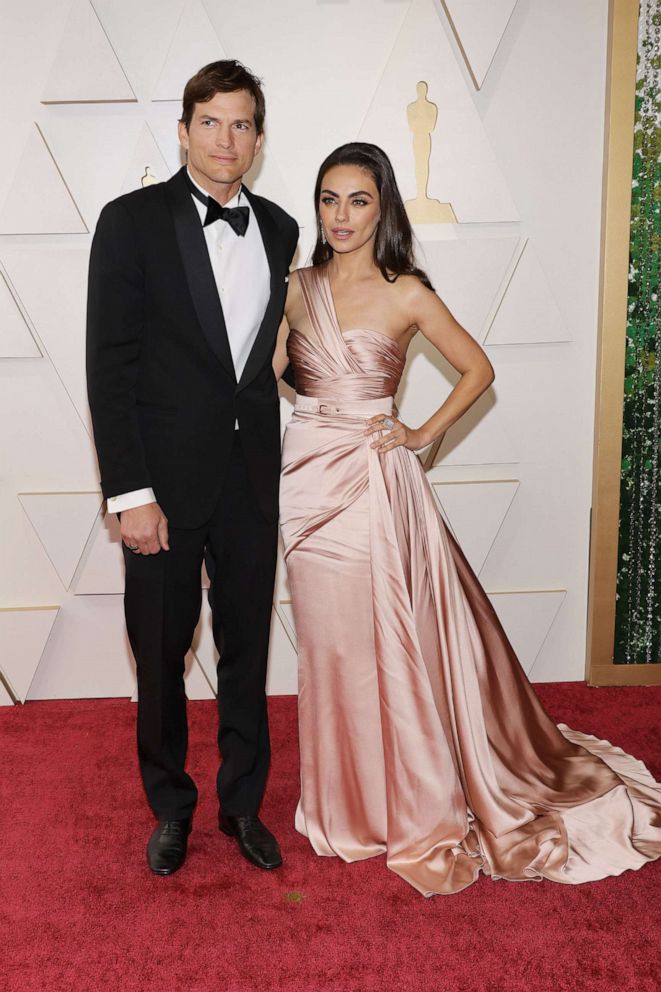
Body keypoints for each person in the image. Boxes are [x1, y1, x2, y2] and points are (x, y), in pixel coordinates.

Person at [274, 142, 661, 896]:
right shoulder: (293, 287)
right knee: (329, 647)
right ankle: (345, 803)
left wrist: (419, 434)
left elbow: (478, 370)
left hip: (374, 485)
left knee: (388, 641)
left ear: (381, 204)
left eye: (357, 199)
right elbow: (268, 376)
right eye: (328, 199)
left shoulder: (406, 290)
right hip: (304, 483)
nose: (341, 214)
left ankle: (406, 800)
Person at [86, 60, 298, 876]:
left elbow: (269, 357)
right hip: (162, 491)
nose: (226, 139)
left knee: (247, 646)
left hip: (250, 477)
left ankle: (242, 805)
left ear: (258, 138)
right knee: (162, 648)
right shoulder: (130, 221)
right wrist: (129, 493)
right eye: (210, 122)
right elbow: (111, 364)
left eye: (241, 124)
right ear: (183, 130)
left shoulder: (280, 229)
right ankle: (170, 805)